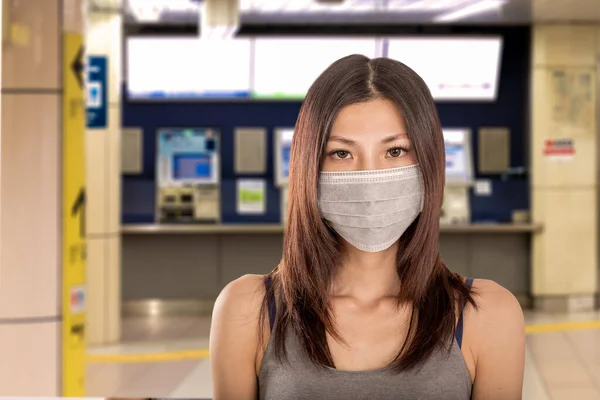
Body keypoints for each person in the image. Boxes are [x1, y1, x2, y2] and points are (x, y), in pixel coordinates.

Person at [210, 54, 525, 400]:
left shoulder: (490, 315)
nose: (369, 176)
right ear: (309, 168)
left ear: (429, 161)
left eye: (395, 151)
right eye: (342, 153)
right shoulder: (247, 310)